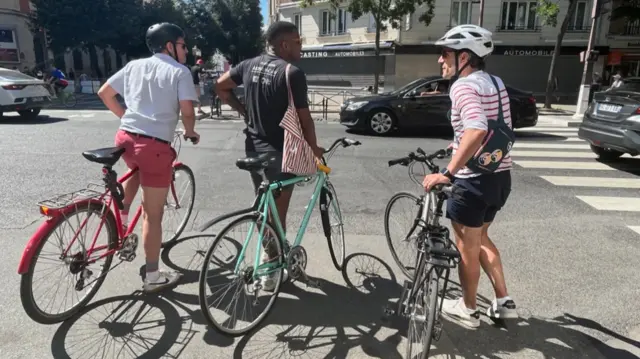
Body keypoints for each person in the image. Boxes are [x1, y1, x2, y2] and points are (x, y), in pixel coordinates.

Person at [215, 20, 323, 291]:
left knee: (264, 208)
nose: (301, 46)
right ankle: (271, 267)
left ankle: (271, 255)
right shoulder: (292, 73)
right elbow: (304, 119)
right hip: (280, 151)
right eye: (298, 42)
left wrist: (243, 111)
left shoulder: (248, 64)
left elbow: (220, 86)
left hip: (253, 148)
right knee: (277, 215)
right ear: (284, 44)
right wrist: (315, 151)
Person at [422, 24, 517, 328]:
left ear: (464, 56)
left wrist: (448, 173)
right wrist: (458, 145)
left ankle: (468, 308)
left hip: (472, 181)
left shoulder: (462, 86)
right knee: (482, 237)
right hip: (499, 177)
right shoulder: (495, 81)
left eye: (445, 53)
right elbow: (491, 125)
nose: (440, 60)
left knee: (467, 247)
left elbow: (476, 128)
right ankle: (503, 302)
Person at [97, 22, 200, 293]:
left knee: (136, 169)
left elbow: (104, 93)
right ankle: (152, 276)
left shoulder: (134, 66)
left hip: (125, 137)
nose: (186, 51)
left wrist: (127, 118)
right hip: (154, 145)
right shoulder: (180, 72)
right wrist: (190, 131)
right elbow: (187, 111)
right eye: (183, 45)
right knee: (153, 216)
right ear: (169, 45)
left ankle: (121, 219)